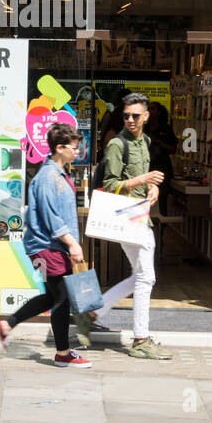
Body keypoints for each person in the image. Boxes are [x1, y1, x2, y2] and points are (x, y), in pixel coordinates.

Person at [0, 122, 91, 368]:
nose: (78, 152)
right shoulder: (48, 177)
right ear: (60, 148)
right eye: (74, 148)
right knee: (62, 299)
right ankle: (62, 353)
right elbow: (51, 216)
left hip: (47, 246)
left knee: (52, 296)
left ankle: (7, 325)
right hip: (48, 246)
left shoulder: (59, 173)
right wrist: (71, 243)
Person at [81, 91, 173, 360]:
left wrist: (152, 187)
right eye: (126, 116)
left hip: (139, 215)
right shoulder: (116, 145)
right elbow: (110, 184)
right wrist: (143, 179)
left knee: (141, 277)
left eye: (135, 116)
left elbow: (139, 179)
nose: (130, 120)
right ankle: (141, 339)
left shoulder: (143, 141)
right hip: (127, 217)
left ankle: (92, 314)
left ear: (145, 116)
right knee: (146, 278)